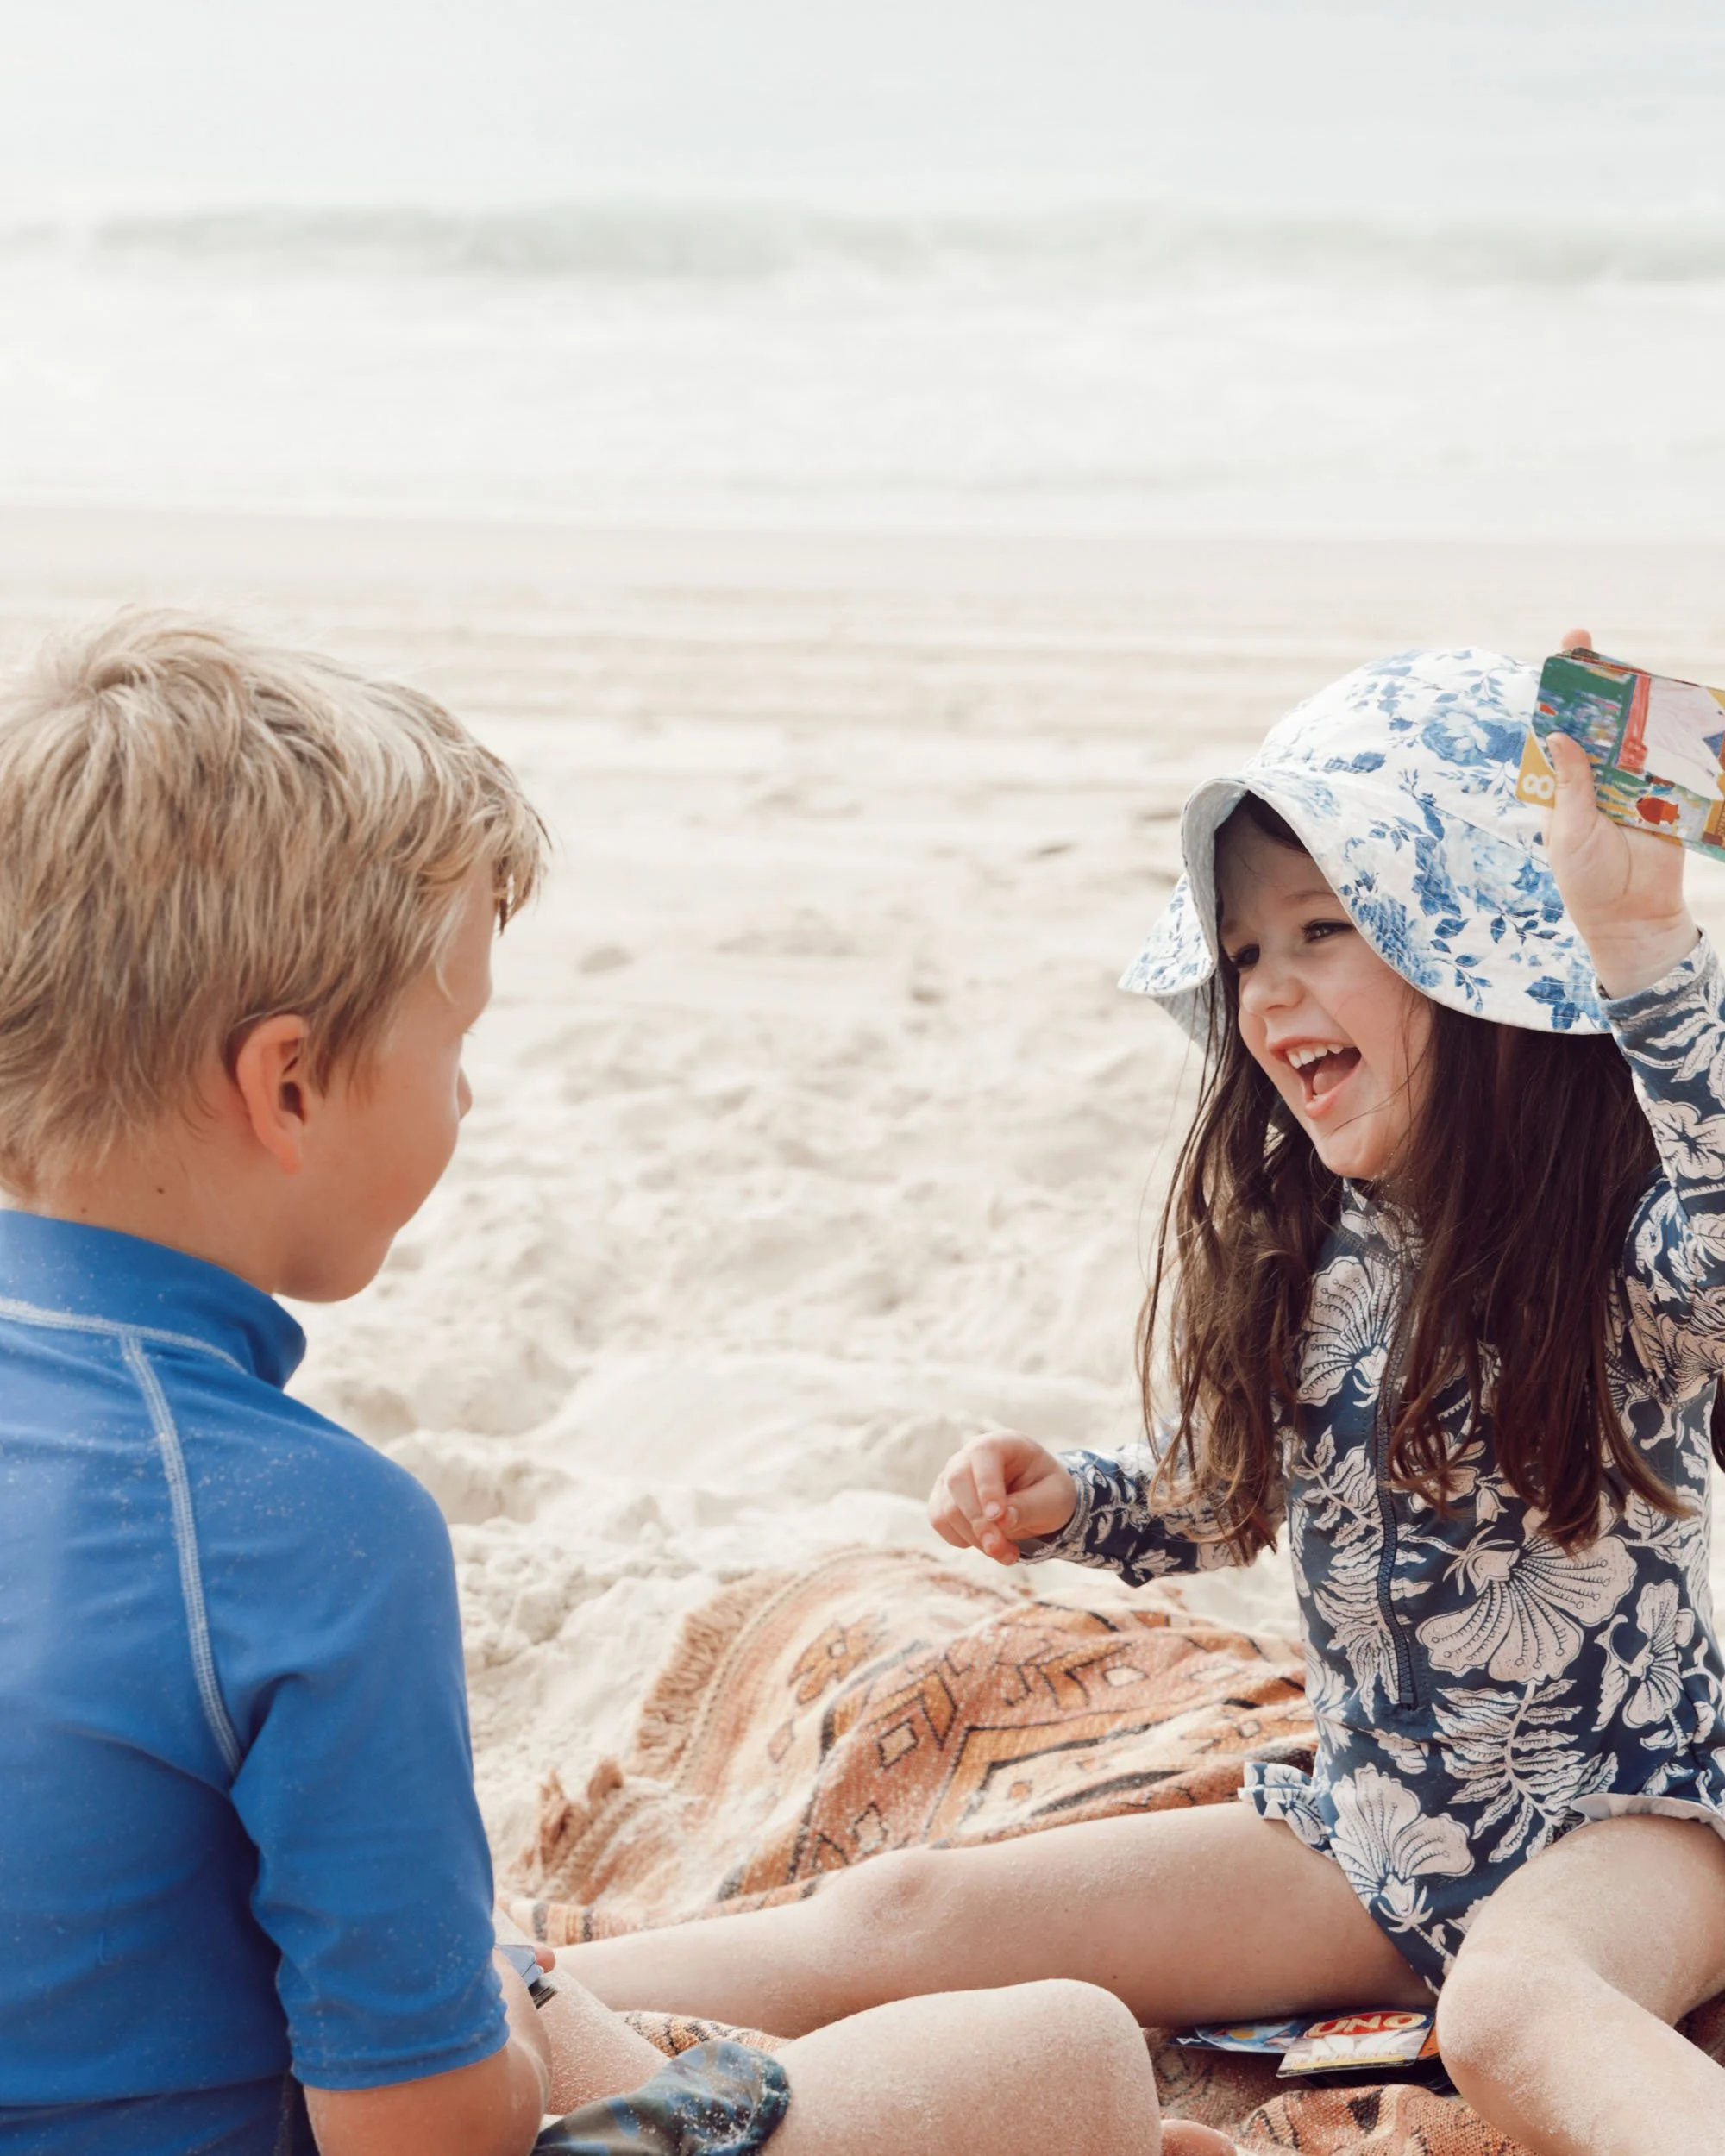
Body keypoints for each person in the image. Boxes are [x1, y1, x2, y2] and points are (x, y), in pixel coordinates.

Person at [0, 612, 1227, 2156]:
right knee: (1068, 2056)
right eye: (456, 1040)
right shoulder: (305, 1529)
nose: (466, 1091)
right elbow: (427, 2138)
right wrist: (571, 2042)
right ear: (289, 1084)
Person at [554, 641, 1725, 2155]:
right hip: (1372, 1839)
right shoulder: (1320, 1246)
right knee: (906, 1908)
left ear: (1473, 945)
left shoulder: (1620, 1245)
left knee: (1515, 2010)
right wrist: (1082, 1498)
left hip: (1634, 1824)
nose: (1272, 992)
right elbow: (1239, 1488)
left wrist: (1636, 945)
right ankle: (486, 2005)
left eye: (1323, 928)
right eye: (1244, 956)